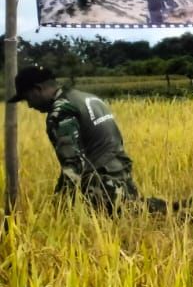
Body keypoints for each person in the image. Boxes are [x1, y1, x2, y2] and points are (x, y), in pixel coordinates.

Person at [9, 65, 138, 213]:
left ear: (38, 89)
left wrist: (59, 208)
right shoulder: (87, 97)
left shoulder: (61, 111)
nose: (30, 105)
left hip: (101, 189)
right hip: (123, 179)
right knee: (135, 211)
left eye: (28, 98)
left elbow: (73, 164)